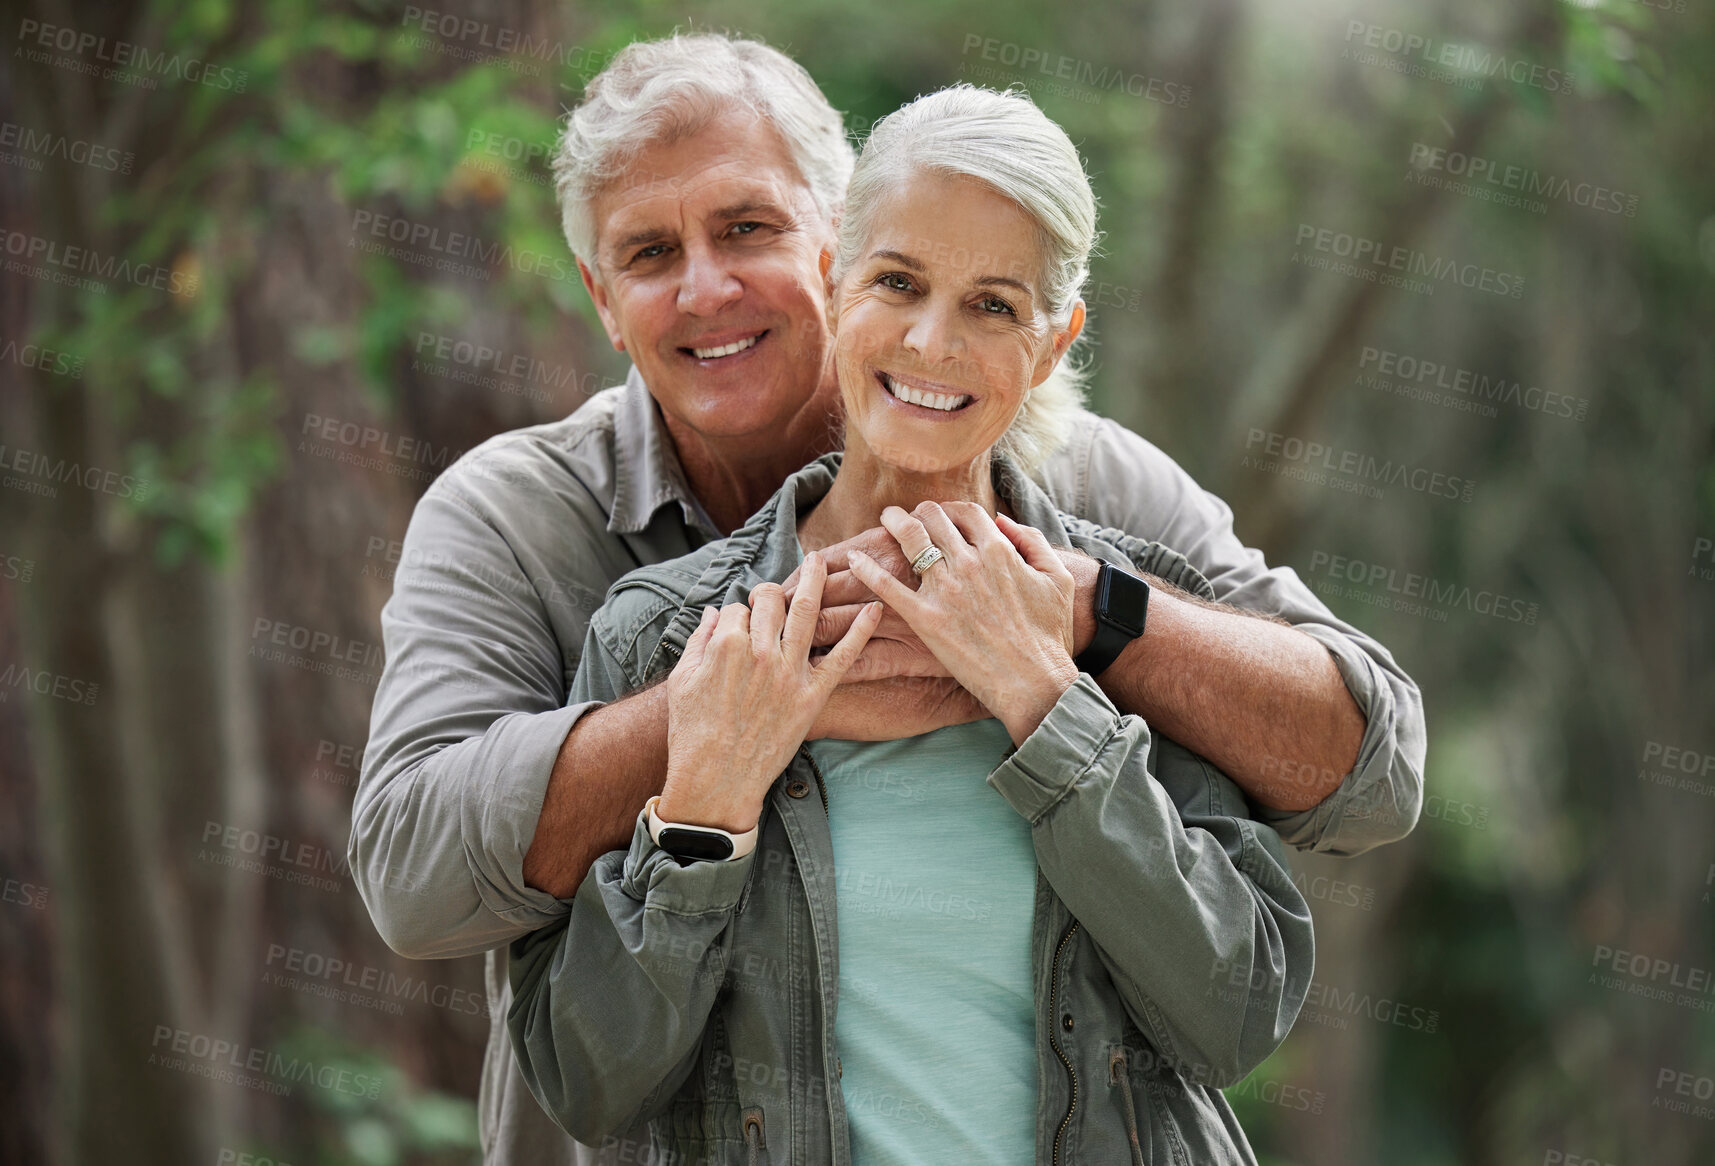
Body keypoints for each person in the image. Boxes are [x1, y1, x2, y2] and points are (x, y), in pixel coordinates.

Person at [349, 31, 1423, 1166]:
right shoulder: (527, 526)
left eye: (745, 227)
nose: (705, 286)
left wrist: (1079, 623)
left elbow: (1367, 776)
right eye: (651, 252)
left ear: (825, 236)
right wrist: (741, 709)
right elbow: (414, 880)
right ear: (602, 301)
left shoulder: (1087, 492)